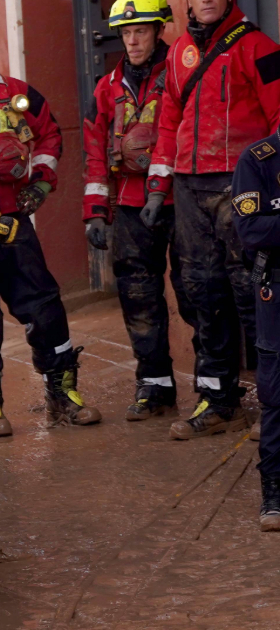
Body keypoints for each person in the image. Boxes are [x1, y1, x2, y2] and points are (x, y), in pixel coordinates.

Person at [0, 9, 100, 434]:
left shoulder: (18, 93)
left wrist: (42, 183)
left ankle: (63, 394)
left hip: (12, 223)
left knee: (44, 307)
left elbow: (50, 136)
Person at [149, 0, 280, 438]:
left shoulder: (259, 47)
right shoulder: (178, 51)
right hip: (189, 187)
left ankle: (274, 408)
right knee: (202, 292)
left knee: (253, 292)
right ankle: (219, 402)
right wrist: (158, 187)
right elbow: (169, 120)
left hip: (240, 186)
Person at [83, 0, 199, 421]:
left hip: (183, 199)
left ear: (159, 30)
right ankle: (155, 385)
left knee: (196, 290)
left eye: (141, 31)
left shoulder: (183, 71)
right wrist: (96, 211)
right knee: (138, 296)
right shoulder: (107, 87)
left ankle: (213, 385)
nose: (132, 41)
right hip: (132, 205)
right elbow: (95, 151)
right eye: (126, 33)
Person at [230, 130, 280, 531]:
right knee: (277, 392)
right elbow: (249, 230)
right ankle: (274, 490)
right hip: (276, 287)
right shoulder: (258, 160)